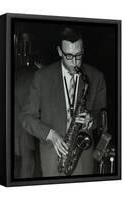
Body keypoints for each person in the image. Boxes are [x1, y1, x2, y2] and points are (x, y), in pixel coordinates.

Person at [19, 27, 106, 177]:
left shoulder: (96, 76)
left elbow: (103, 116)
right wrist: (50, 134)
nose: (74, 62)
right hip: (52, 158)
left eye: (78, 55)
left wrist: (92, 120)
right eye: (69, 56)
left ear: (83, 50)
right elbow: (26, 117)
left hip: (83, 159)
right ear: (60, 51)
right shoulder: (42, 77)